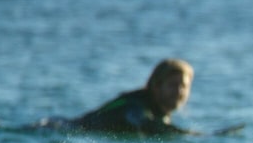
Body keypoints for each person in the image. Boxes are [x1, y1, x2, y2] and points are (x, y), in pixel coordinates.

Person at [66, 58, 200, 136]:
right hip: (66, 128)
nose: (179, 91)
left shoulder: (158, 113)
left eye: (183, 86)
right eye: (172, 85)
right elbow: (141, 122)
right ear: (156, 86)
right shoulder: (136, 104)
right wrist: (187, 134)